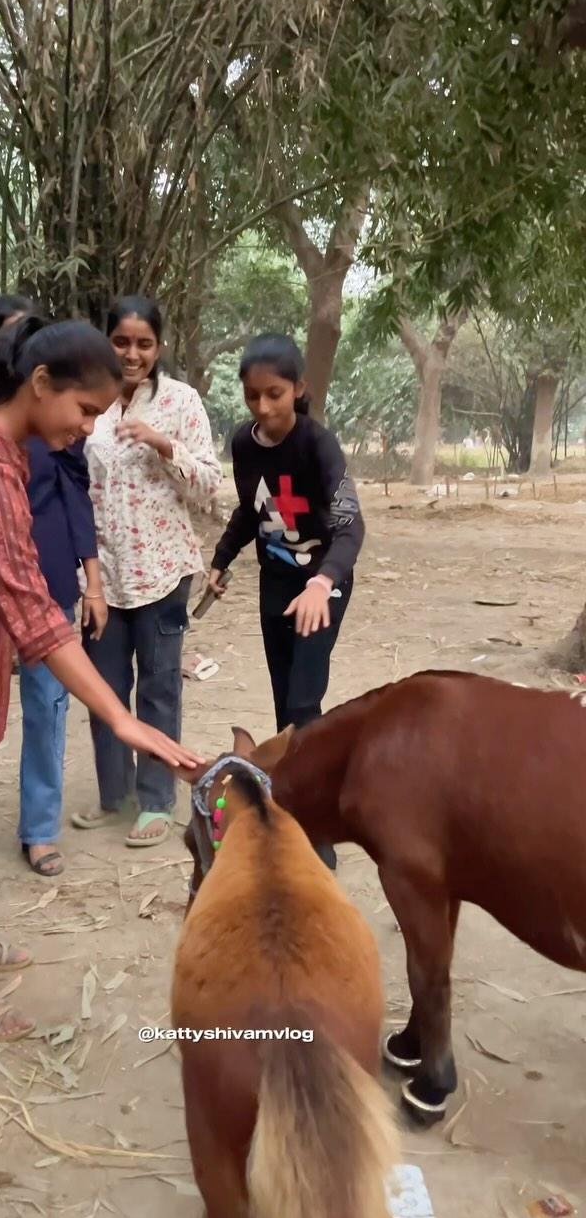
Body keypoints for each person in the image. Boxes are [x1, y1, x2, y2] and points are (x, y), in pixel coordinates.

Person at [0, 316, 201, 1043]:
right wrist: (121, 716)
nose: (88, 429)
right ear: (40, 384)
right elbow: (31, 611)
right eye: (84, 411)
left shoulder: (6, 451)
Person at [207, 333, 365, 870]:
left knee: (303, 700)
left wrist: (323, 583)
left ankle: (314, 824)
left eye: (274, 393)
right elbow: (252, 511)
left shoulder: (319, 446)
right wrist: (221, 560)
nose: (263, 407)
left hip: (322, 582)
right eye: (252, 395)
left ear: (299, 388)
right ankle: (292, 799)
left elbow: (349, 525)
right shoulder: (243, 444)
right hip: (275, 582)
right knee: (285, 703)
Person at [71, 296, 221, 847]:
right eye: (121, 342)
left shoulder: (180, 401)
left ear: (158, 347)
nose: (132, 354)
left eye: (144, 344)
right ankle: (117, 798)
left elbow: (209, 484)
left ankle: (157, 801)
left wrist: (163, 443)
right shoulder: (87, 399)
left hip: (162, 573)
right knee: (105, 691)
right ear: (106, 340)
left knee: (159, 692)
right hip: (100, 579)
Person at [0, 296, 108, 878]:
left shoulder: (64, 426)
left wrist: (93, 580)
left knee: (48, 707)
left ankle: (39, 828)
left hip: (49, 575)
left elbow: (78, 497)